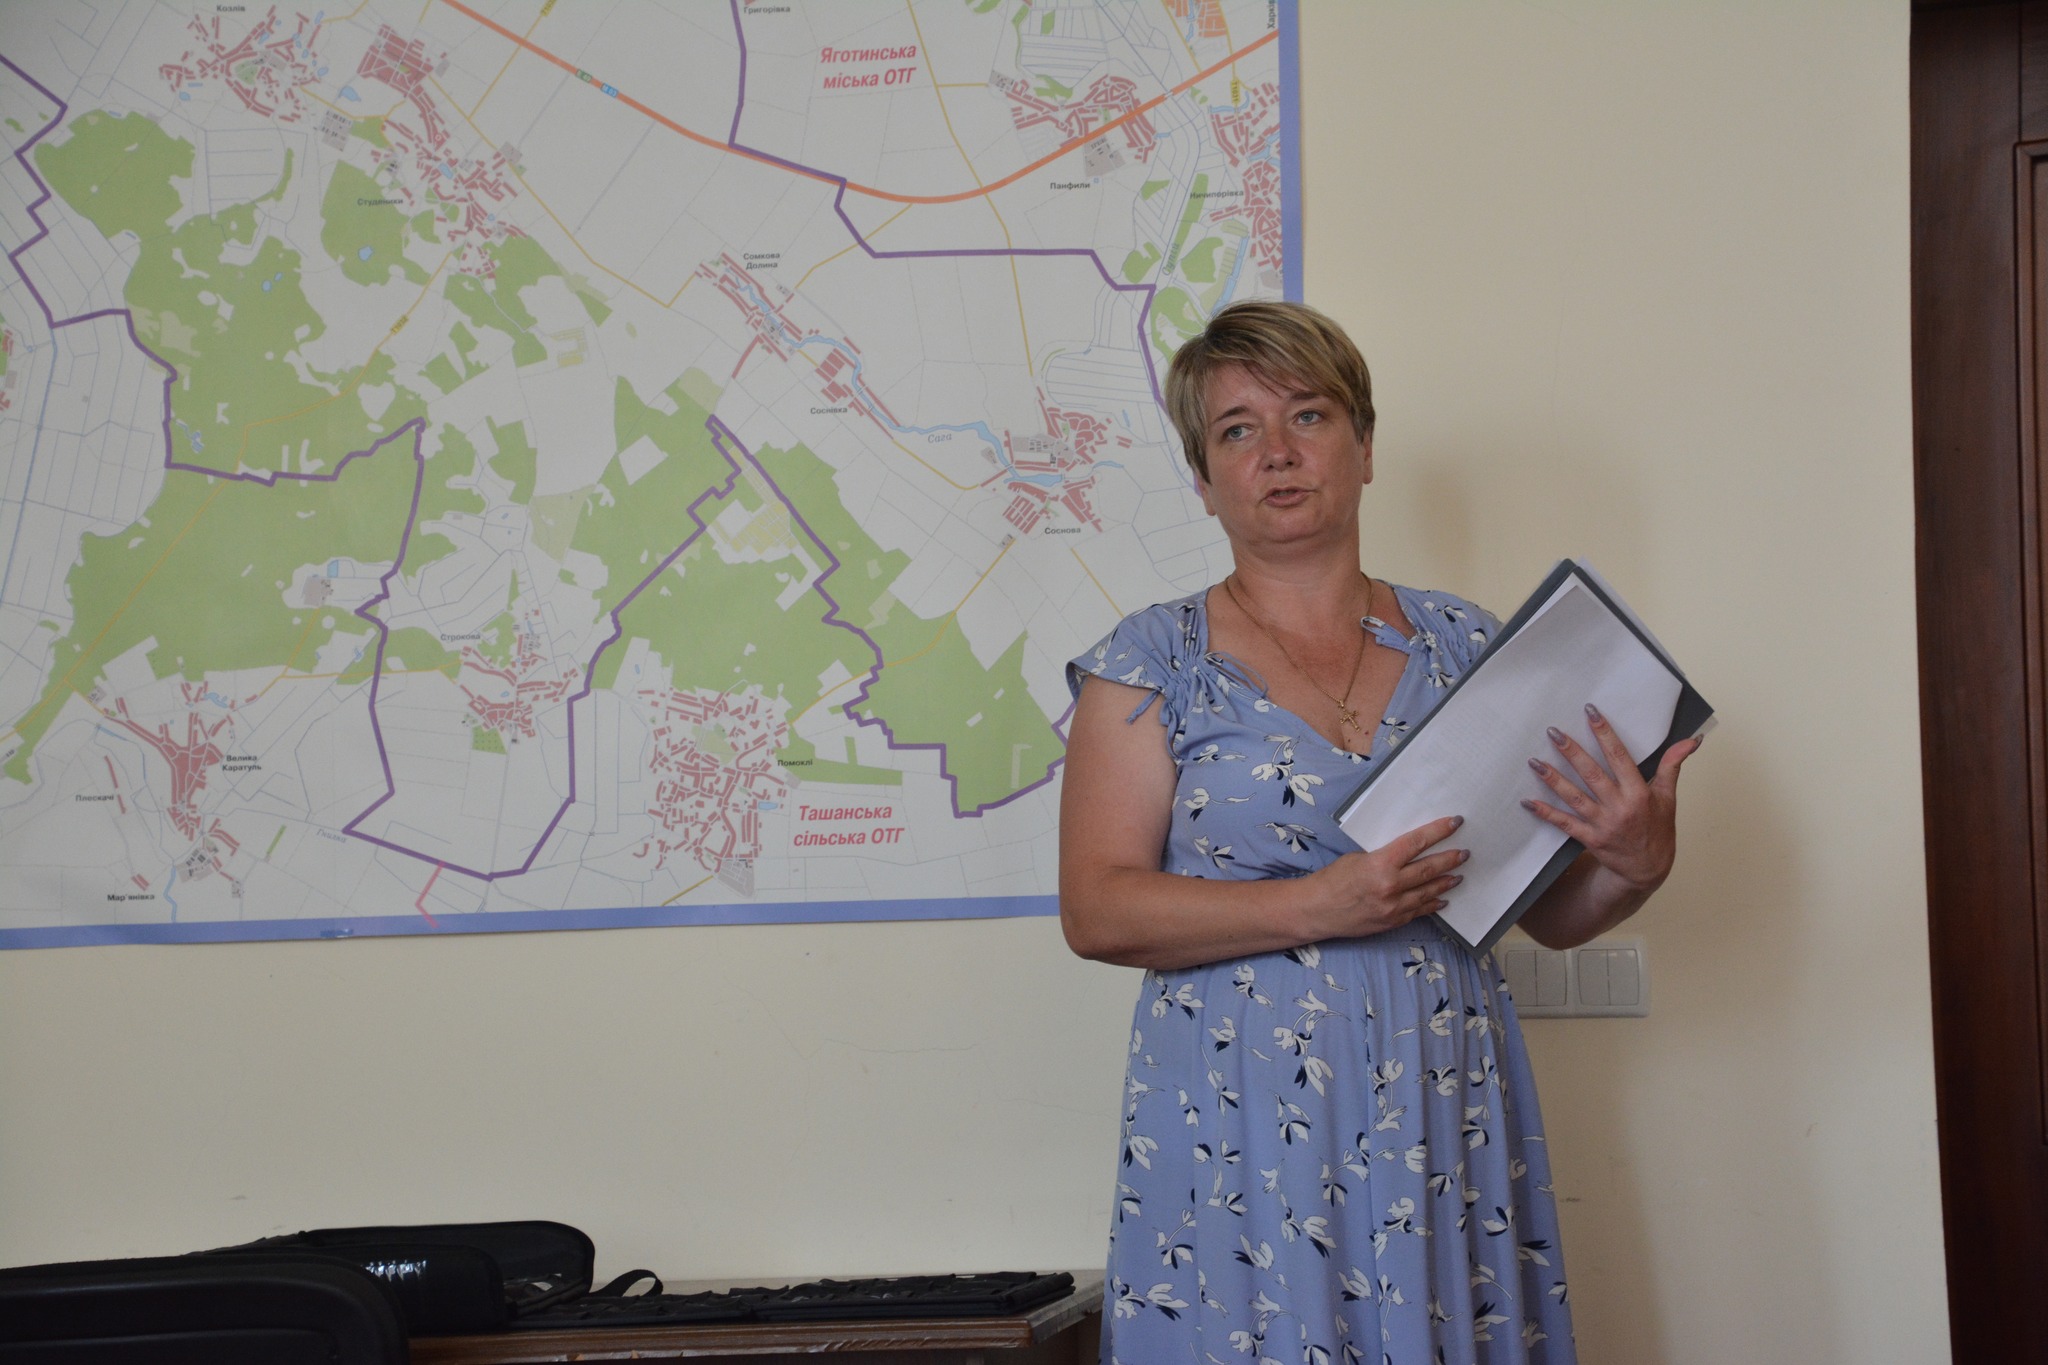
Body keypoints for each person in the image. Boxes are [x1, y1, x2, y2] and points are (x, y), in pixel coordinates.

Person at [1059, 300, 1698, 1364]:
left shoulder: (1468, 645)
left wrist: (1634, 864)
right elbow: (1097, 908)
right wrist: (1320, 902)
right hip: (1239, 1112)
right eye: (1236, 430)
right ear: (1203, 477)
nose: (1276, 451)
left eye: (1308, 415)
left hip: (1440, 1094)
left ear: (1363, 448)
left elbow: (1548, 913)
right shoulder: (1148, 661)